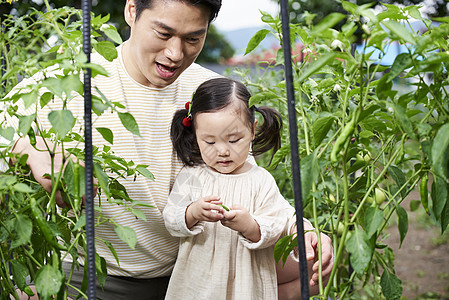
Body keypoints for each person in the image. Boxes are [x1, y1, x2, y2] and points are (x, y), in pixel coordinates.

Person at [5, 0, 332, 299]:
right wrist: (33, 153)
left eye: (193, 39)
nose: (176, 53)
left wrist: (302, 230)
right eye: (163, 33)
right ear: (132, 11)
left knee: (316, 271)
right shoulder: (73, 79)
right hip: (89, 272)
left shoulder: (210, 97)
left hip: (188, 272)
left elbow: (245, 185)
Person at [163, 77, 331, 299]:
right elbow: (171, 218)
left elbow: (281, 219)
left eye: (234, 140)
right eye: (210, 142)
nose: (222, 151)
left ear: (252, 131)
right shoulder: (192, 175)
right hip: (199, 280)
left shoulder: (260, 180)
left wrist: (251, 226)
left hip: (246, 281)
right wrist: (192, 212)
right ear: (195, 136)